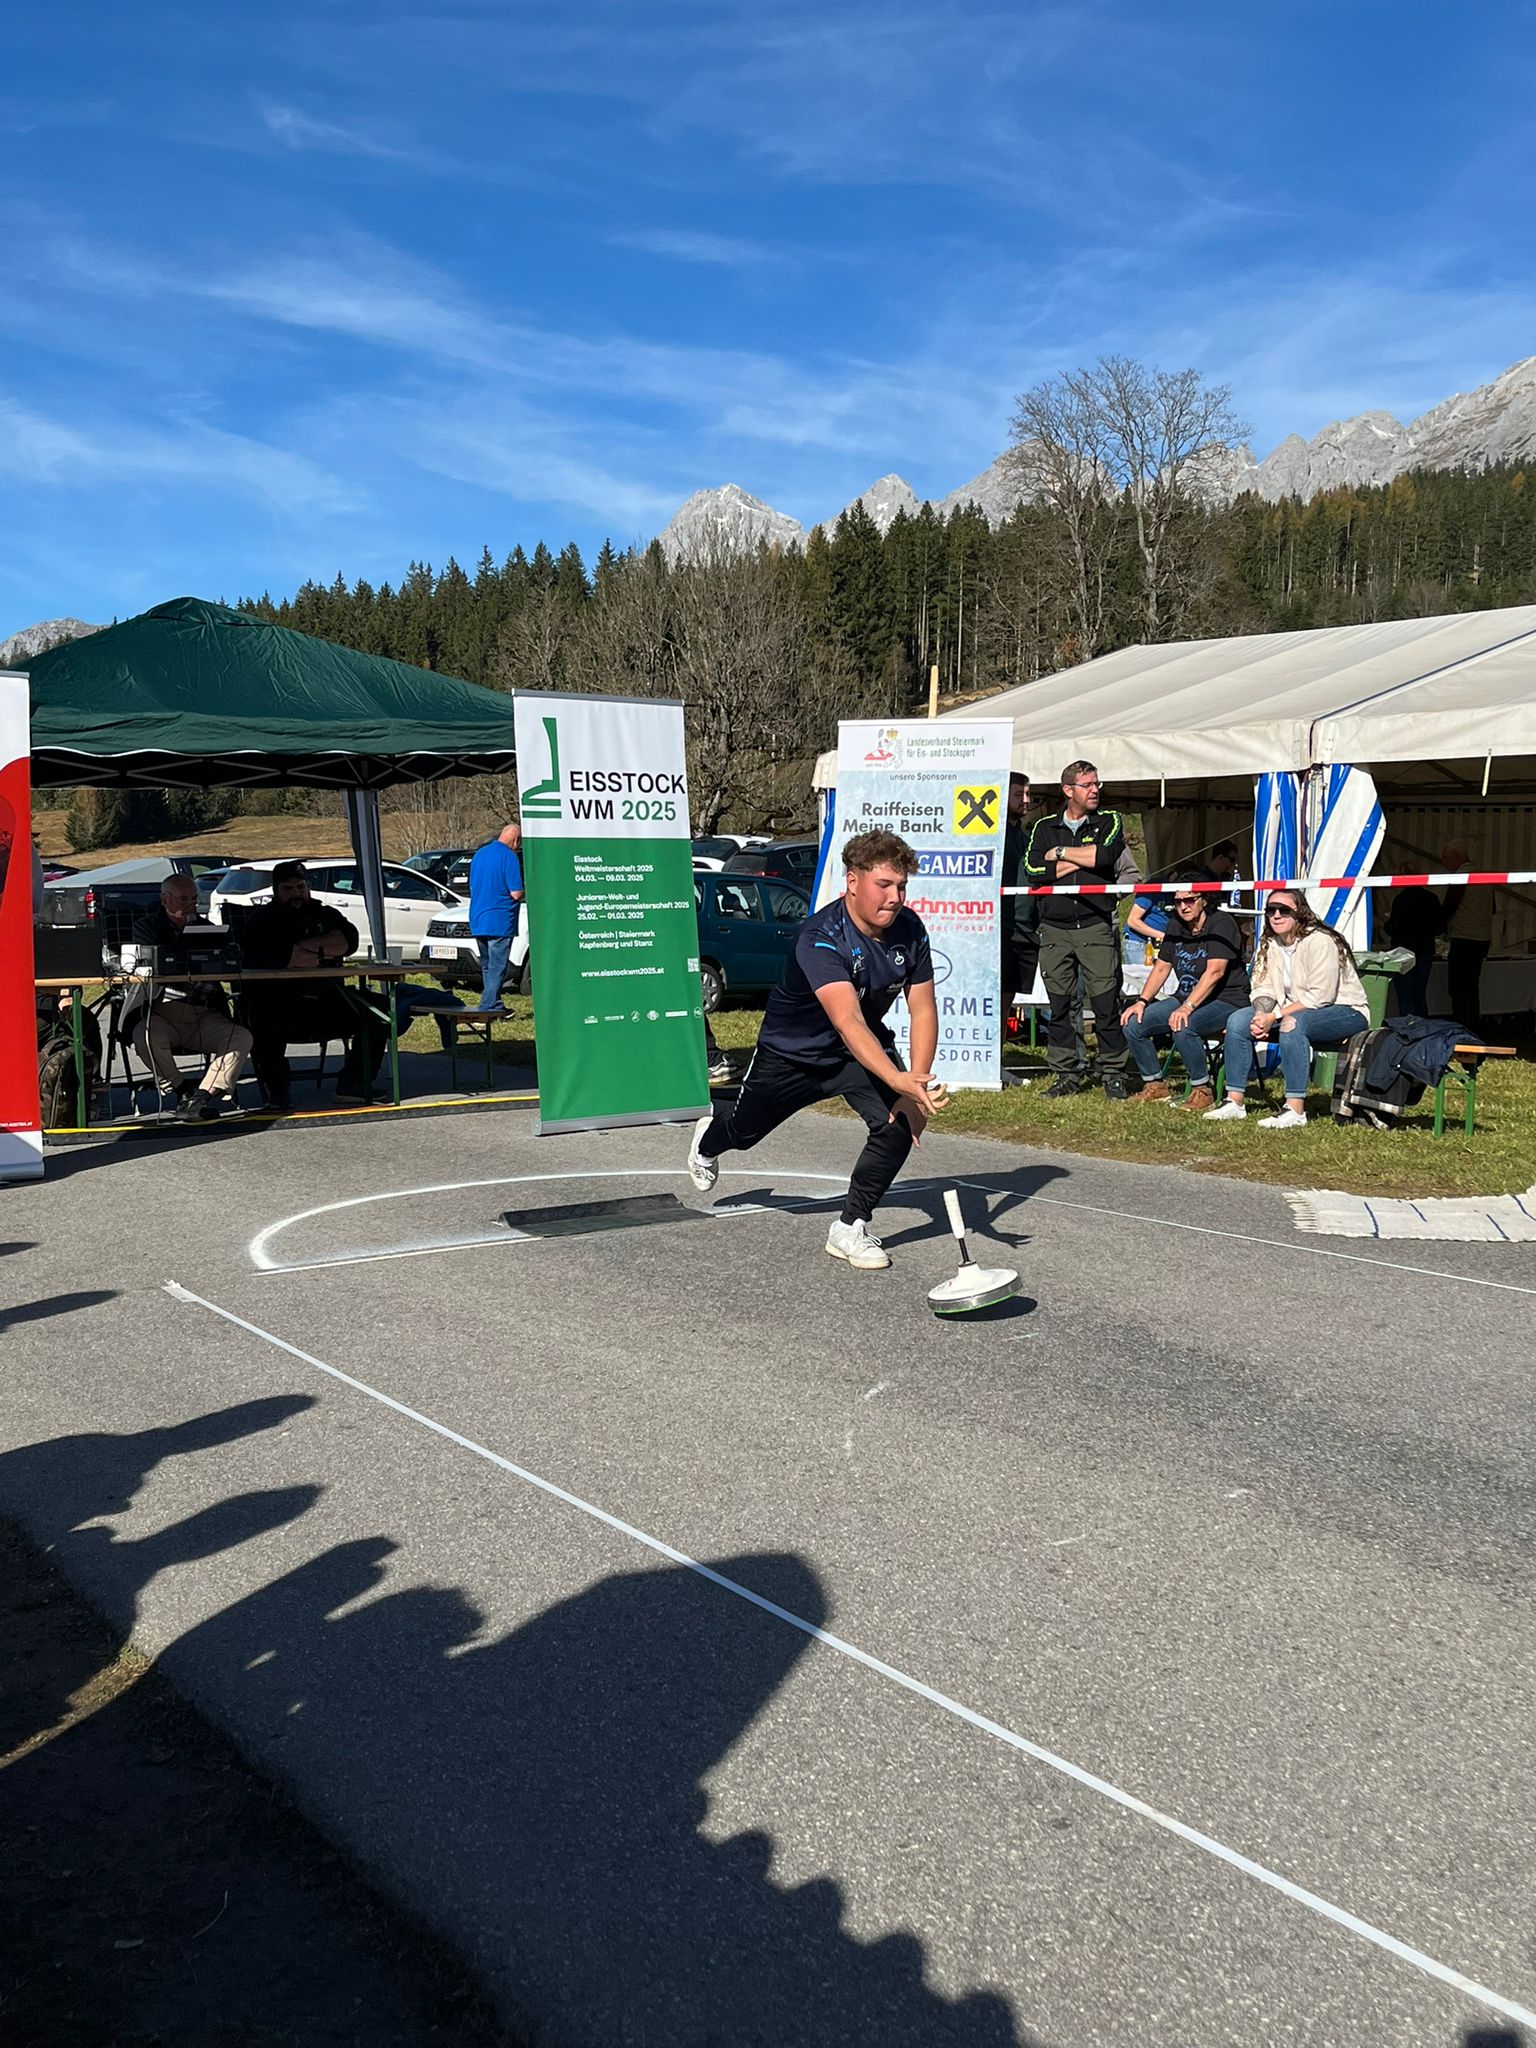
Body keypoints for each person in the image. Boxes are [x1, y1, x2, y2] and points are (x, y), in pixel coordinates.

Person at [685, 830, 945, 1271]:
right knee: (743, 1135)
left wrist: (913, 1084)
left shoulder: (910, 929)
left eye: (902, 886)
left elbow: (922, 1009)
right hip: (792, 1056)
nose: (896, 897)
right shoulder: (819, 937)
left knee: (898, 1124)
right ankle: (707, 1141)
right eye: (884, 885)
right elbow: (848, 1021)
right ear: (852, 882)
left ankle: (850, 1227)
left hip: (854, 1055)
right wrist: (897, 1078)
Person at [1021, 760, 1140, 1098]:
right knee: (1060, 1005)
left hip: (1095, 926)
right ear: (1068, 790)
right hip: (1055, 929)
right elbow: (1034, 870)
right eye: (1087, 785)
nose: (1095, 790)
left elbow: (1104, 858)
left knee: (1104, 1002)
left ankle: (1113, 1072)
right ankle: (1066, 1073)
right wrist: (1078, 857)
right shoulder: (1043, 825)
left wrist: (1059, 854)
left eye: (1097, 784)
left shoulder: (1110, 821)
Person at [1203, 891, 1369, 1129]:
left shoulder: (1320, 940)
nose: (1276, 915)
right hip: (1292, 1008)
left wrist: (1275, 1017)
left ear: (1300, 913)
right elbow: (1263, 986)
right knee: (1238, 1021)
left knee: (1293, 1024)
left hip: (1344, 1009)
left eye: (1284, 910)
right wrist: (1261, 1013)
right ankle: (1234, 1101)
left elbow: (1320, 996)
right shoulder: (1270, 943)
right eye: (1271, 910)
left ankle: (1295, 1108)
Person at [239, 861, 389, 1111]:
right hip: (277, 1001)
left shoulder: (324, 913)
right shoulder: (262, 921)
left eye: (301, 887)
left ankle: (353, 1084)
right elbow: (287, 957)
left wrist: (307, 949)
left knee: (380, 1011)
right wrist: (324, 949)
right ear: (276, 890)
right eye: (288, 888)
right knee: (261, 1017)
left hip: (326, 998)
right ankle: (278, 1093)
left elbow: (349, 940)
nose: (296, 893)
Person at [122, 875, 252, 1121]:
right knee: (144, 1036)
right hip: (164, 1010)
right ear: (164, 899)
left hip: (205, 1014)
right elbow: (153, 963)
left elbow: (226, 964)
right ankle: (182, 1090)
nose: (191, 903)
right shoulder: (147, 927)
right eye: (183, 898)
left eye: (194, 898)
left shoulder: (209, 930)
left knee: (241, 1036)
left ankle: (202, 1096)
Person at [1119, 876, 1249, 1113]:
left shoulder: (1222, 923)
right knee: (1133, 1023)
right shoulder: (1175, 925)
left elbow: (1215, 971)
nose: (1183, 906)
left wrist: (1187, 1007)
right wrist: (1141, 1002)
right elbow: (1161, 966)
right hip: (1185, 996)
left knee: (1183, 1024)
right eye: (1178, 901)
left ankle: (1202, 1089)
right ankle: (1155, 1084)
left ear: (1204, 899)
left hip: (1227, 999)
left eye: (1189, 900)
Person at [467, 822, 525, 1014]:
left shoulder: (480, 854)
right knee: (498, 968)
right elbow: (516, 893)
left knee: (487, 967)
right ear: (516, 840)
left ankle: (496, 1006)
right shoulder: (509, 857)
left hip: (478, 917)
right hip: (500, 919)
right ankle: (485, 1008)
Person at [998, 770, 1037, 1031]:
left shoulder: (1025, 837)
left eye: (1027, 794)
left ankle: (999, 1061)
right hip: (1000, 929)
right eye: (1017, 794)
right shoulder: (995, 837)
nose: (1025, 799)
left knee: (1009, 997)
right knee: (997, 998)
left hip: (1024, 930)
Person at [1441, 839, 1493, 1031]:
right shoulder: (1485, 877)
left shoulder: (1461, 877)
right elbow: (1492, 908)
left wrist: (1434, 925)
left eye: (1446, 858)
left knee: (1457, 988)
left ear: (1457, 858)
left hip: (1464, 937)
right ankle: (1473, 1025)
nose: (1444, 863)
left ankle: (1462, 1028)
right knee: (1472, 987)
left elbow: (1448, 908)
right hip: (1483, 937)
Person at [1385, 884, 1445, 1018]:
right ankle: (1423, 1029)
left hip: (1403, 951)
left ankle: (1408, 1030)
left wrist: (1384, 924)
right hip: (1425, 949)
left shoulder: (1400, 899)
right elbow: (1440, 927)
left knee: (1405, 995)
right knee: (1420, 993)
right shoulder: (1431, 898)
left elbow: (1393, 927)